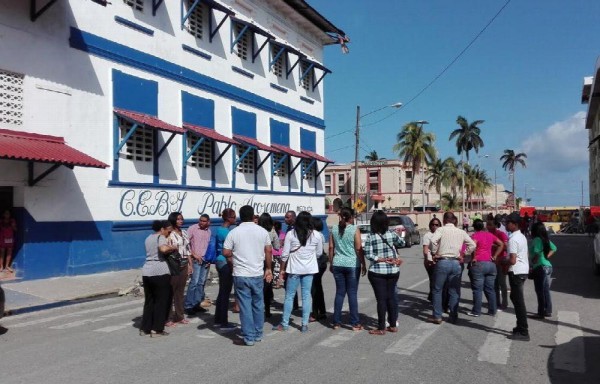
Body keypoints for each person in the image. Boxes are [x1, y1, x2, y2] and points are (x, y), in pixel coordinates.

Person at [223, 205, 272, 346]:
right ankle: (258, 333)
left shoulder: (234, 232)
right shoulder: (262, 232)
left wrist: (237, 254)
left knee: (245, 305)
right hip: (257, 273)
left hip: (241, 273)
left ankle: (248, 337)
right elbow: (268, 250)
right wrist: (268, 268)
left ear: (240, 216)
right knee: (258, 304)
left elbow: (226, 252)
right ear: (252, 216)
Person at [273, 211, 322, 333]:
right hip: (309, 269)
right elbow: (319, 253)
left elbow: (284, 255)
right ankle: (304, 324)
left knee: (289, 296)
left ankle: (284, 323)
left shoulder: (291, 234)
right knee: (306, 296)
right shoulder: (316, 235)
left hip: (294, 269)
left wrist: (282, 270)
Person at [429, 212, 475, 324]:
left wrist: (435, 253)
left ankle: (437, 316)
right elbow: (472, 245)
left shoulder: (440, 230)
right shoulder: (461, 232)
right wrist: (463, 254)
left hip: (443, 261)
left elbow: (432, 241)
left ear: (444, 220)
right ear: (454, 220)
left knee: (437, 289)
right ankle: (453, 316)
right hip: (456, 263)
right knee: (454, 290)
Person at [363, 211, 404, 335]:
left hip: (377, 271)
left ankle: (381, 327)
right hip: (393, 270)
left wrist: (379, 259)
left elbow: (368, 254)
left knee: (381, 300)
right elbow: (402, 243)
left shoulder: (371, 236)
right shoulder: (391, 234)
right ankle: (392, 325)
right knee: (391, 298)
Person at [329, 207, 366, 330]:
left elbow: (330, 247)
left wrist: (331, 262)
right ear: (351, 217)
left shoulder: (333, 229)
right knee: (352, 293)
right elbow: (358, 248)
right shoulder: (354, 229)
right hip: (352, 264)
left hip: (337, 263)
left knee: (339, 293)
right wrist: (363, 264)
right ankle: (355, 323)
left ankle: (336, 322)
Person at [140, 220, 177, 337]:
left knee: (149, 300)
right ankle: (157, 329)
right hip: (159, 271)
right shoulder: (160, 237)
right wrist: (172, 247)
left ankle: (145, 328)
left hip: (147, 271)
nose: (168, 233)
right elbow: (163, 249)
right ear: (162, 229)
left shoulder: (148, 238)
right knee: (162, 301)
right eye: (167, 231)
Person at [467, 219, 503, 317]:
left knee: (477, 289)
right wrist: (495, 256)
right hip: (490, 264)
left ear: (474, 227)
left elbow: (472, 246)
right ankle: (492, 310)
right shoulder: (490, 235)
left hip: (479, 264)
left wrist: (473, 256)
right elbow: (501, 244)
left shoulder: (475, 236)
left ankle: (476, 311)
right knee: (490, 289)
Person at [503, 213, 530, 341]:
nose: (506, 224)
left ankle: (523, 331)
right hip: (522, 270)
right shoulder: (521, 236)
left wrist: (503, 261)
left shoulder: (513, 239)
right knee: (514, 297)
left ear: (515, 224)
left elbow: (512, 260)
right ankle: (520, 326)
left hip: (516, 271)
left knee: (518, 301)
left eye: (508, 222)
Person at [166, 212, 192, 326]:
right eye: (178, 219)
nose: (180, 221)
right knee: (171, 291)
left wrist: (190, 265)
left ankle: (180, 316)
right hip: (173, 265)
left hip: (184, 264)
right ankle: (168, 317)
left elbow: (188, 250)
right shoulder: (169, 234)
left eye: (181, 219)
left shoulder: (185, 233)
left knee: (180, 292)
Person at [213, 208, 237, 330]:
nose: (235, 219)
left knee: (222, 291)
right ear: (228, 218)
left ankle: (218, 318)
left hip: (219, 261)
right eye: (233, 217)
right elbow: (229, 252)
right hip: (225, 262)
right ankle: (223, 322)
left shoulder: (220, 230)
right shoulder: (227, 233)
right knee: (225, 292)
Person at [184, 214, 212, 315]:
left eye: (204, 221)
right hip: (196, 260)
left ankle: (197, 304)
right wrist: (194, 255)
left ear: (208, 222)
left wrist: (209, 259)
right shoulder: (192, 229)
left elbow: (209, 246)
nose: (202, 222)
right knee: (194, 283)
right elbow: (185, 244)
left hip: (205, 260)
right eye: (201, 220)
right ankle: (188, 305)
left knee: (201, 283)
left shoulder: (208, 231)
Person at [530, 222, 556, 318]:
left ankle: (541, 312)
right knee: (545, 290)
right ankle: (548, 310)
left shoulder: (536, 239)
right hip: (548, 266)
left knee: (539, 290)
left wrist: (533, 261)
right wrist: (547, 256)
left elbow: (536, 253)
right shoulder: (545, 239)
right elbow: (554, 248)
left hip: (540, 267)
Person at [258, 213, 280, 318]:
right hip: (268, 261)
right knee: (267, 286)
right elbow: (277, 246)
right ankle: (267, 310)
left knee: (257, 286)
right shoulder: (272, 231)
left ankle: (257, 309)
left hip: (256, 260)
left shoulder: (256, 230)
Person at [487, 218, 509, 310]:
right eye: (487, 224)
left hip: (500, 261)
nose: (488, 226)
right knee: (493, 284)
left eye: (490, 224)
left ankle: (505, 302)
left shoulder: (501, 234)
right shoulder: (487, 234)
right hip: (491, 262)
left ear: (496, 225)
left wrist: (494, 245)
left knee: (502, 283)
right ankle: (496, 302)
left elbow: (506, 246)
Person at [309, 216, 328, 322]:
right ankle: (322, 311)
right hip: (320, 263)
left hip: (317, 263)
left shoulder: (316, 235)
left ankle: (315, 312)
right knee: (318, 288)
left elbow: (318, 252)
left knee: (314, 289)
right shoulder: (320, 234)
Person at [422, 217, 442, 302]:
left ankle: (432, 295)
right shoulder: (428, 235)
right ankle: (433, 297)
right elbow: (425, 249)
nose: (434, 226)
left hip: (440, 259)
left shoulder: (441, 234)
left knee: (438, 280)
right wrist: (427, 260)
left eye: (436, 225)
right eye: (433, 224)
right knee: (433, 279)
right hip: (430, 260)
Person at [272, 221, 284, 288]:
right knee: (278, 268)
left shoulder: (272, 233)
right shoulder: (282, 234)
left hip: (273, 252)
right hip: (280, 253)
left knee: (274, 268)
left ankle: (275, 282)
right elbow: (282, 244)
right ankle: (277, 283)